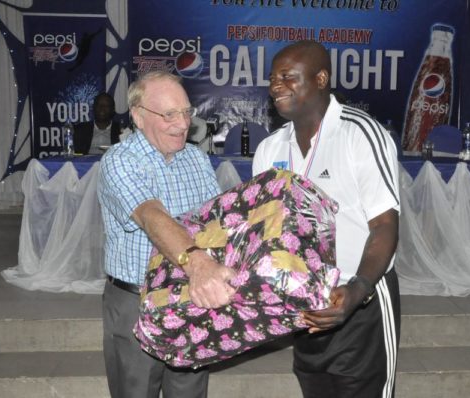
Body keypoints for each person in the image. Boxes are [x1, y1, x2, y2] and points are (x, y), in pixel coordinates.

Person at [253, 40, 401, 398]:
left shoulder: (360, 134)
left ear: (321, 79)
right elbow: (265, 232)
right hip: (305, 309)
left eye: (288, 77)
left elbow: (385, 225)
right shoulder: (269, 149)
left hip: (359, 300)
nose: (275, 86)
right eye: (273, 78)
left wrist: (359, 290)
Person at [97, 70, 236, 398]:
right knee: (136, 390)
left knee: (190, 390)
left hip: (192, 298)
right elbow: (151, 215)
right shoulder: (120, 161)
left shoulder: (197, 159)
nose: (183, 123)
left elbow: (217, 222)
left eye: (186, 111)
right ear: (138, 116)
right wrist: (199, 263)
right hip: (138, 301)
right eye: (169, 114)